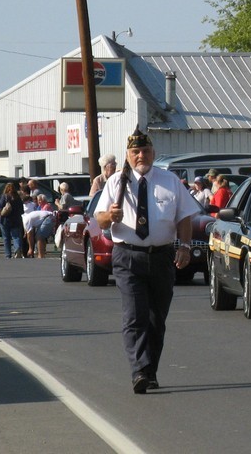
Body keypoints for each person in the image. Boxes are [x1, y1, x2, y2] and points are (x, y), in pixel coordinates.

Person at [95, 127, 197, 394]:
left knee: (156, 319)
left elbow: (185, 216)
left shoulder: (170, 181)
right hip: (127, 255)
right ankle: (139, 370)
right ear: (127, 155)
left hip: (161, 256)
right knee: (134, 315)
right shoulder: (116, 182)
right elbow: (100, 218)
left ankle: (149, 371)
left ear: (154, 153)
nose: (141, 156)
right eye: (135, 152)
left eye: (145, 151)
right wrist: (111, 216)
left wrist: (184, 247)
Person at [0, 182, 24, 259]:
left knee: (6, 237)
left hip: (5, 220)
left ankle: (8, 254)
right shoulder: (18, 198)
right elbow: (22, 211)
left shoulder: (4, 197)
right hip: (16, 220)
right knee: (16, 236)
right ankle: (17, 249)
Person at [23, 194, 56, 258]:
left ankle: (40, 255)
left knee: (39, 237)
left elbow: (29, 235)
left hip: (49, 217)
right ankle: (42, 254)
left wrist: (30, 249)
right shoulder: (28, 218)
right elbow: (30, 233)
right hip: (50, 217)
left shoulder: (26, 220)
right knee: (40, 236)